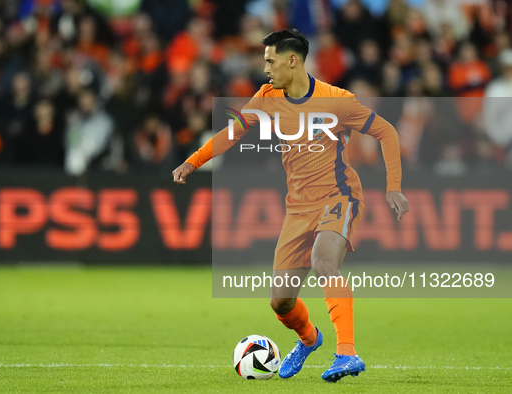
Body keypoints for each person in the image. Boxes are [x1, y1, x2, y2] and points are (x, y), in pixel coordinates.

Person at [172, 28, 409, 382]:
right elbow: (232, 133)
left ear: (292, 60)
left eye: (270, 60)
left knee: (323, 262)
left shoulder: (337, 100)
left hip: (339, 196)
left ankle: (347, 353)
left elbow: (386, 132)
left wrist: (393, 187)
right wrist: (193, 161)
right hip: (298, 208)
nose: (265, 68)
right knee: (280, 302)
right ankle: (310, 339)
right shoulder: (266, 98)